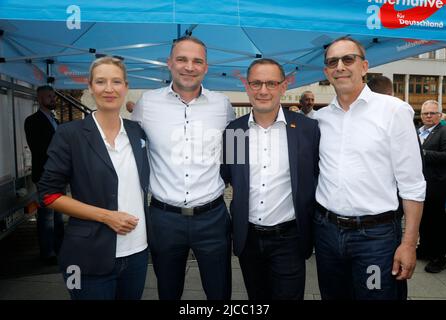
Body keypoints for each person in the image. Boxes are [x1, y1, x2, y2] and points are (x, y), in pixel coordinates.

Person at [314, 36, 426, 300]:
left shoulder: (394, 111)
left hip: (375, 239)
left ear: (364, 66)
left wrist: (409, 243)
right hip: (327, 234)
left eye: (348, 59)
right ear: (326, 72)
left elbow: (412, 184)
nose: (340, 66)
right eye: (333, 62)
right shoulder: (319, 119)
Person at [38, 56, 150, 300]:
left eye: (116, 82)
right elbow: (48, 194)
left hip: (137, 254)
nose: (109, 89)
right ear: (90, 87)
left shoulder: (137, 132)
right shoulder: (70, 134)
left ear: (126, 87)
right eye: (101, 82)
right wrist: (106, 216)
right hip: (88, 256)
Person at [132, 36, 235, 300]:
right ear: (169, 63)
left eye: (197, 61)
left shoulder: (223, 105)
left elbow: (236, 155)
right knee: (168, 291)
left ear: (206, 67)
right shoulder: (147, 103)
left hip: (212, 217)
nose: (189, 67)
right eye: (182, 59)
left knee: (219, 292)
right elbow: (134, 153)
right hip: (164, 219)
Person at [221, 59, 319, 300]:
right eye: (256, 83)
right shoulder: (235, 131)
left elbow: (317, 175)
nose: (263, 90)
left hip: (290, 239)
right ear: (247, 86)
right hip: (249, 238)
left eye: (271, 83)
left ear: (283, 87)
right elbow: (230, 175)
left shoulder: (307, 129)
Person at [24, 85, 64, 266]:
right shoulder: (32, 121)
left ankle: (59, 249)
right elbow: (39, 149)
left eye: (53, 96)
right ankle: (47, 253)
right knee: (47, 216)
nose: (53, 99)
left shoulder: (54, 120)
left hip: (60, 174)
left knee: (58, 216)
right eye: (49, 97)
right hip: (46, 175)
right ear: (39, 99)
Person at [416, 100, 446, 273]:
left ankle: (439, 258)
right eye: (425, 113)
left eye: (432, 113)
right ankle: (424, 250)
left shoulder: (445, 131)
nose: (428, 116)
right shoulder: (418, 132)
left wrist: (423, 153)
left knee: (438, 224)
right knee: (424, 220)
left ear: (439, 115)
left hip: (438, 185)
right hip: (421, 186)